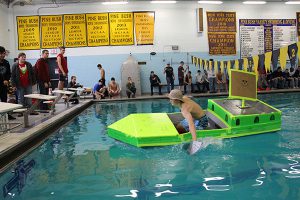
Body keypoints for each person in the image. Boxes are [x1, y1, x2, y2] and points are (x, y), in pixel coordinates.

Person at [0, 46, 15, 120]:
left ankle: (6, 114)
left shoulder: (6, 62)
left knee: (4, 100)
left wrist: (6, 79)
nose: (2, 55)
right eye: (0, 54)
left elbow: (9, 73)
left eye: (3, 53)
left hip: (4, 85)